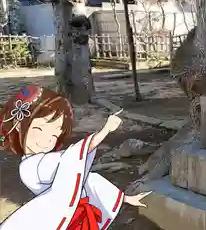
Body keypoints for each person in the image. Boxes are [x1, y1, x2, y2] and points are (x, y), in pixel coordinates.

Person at [0, 85, 151, 230]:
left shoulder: (42, 161)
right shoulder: (32, 166)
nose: (48, 140)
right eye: (40, 128)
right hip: (66, 219)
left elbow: (87, 177)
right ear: (19, 125)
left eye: (55, 134)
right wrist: (105, 130)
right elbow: (73, 158)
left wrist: (125, 198)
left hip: (76, 215)